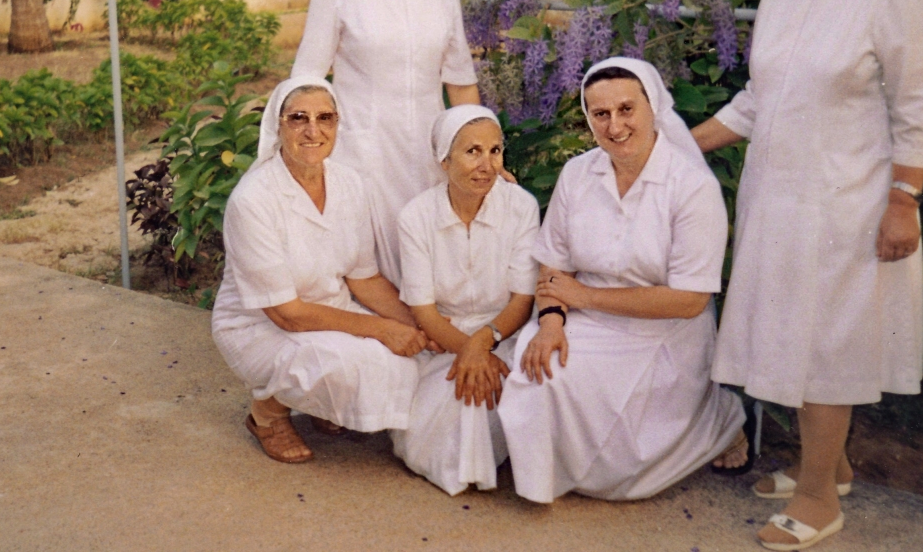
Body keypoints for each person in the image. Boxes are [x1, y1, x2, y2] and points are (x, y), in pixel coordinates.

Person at [691, 0, 923, 550]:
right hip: (779, 200)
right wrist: (674, 141)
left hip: (851, 204)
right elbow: (756, 100)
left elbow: (917, 105)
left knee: (828, 346)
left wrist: (904, 200)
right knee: (795, 333)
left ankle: (816, 498)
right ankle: (832, 468)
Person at [498, 57, 748, 505]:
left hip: (663, 330)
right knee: (539, 375)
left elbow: (689, 300)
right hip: (578, 316)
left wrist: (584, 295)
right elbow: (553, 265)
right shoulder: (578, 173)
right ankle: (553, 475)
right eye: (601, 114)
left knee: (623, 469)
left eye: (627, 109)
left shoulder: (692, 186)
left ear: (653, 107)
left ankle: (718, 421)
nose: (615, 126)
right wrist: (552, 322)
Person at [211, 78, 428, 464]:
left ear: (338, 124)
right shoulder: (253, 200)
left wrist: (420, 325)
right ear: (277, 126)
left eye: (325, 118)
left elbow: (365, 279)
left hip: (331, 310)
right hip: (260, 324)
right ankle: (267, 414)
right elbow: (288, 315)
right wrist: (384, 329)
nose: (314, 130)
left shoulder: (349, 184)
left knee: (405, 361)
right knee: (347, 365)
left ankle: (319, 404)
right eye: (298, 118)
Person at [291, 0, 481, 285]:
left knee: (432, 270)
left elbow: (461, 81)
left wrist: (480, 148)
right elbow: (306, 79)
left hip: (431, 158)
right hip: (365, 160)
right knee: (371, 272)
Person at [390, 105, 540, 495]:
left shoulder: (521, 206)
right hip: (444, 340)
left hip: (504, 334)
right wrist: (469, 351)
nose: (486, 165)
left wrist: (484, 343)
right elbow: (423, 310)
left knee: (483, 396)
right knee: (454, 405)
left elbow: (523, 299)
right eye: (472, 151)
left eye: (495, 151)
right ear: (444, 160)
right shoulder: (416, 217)